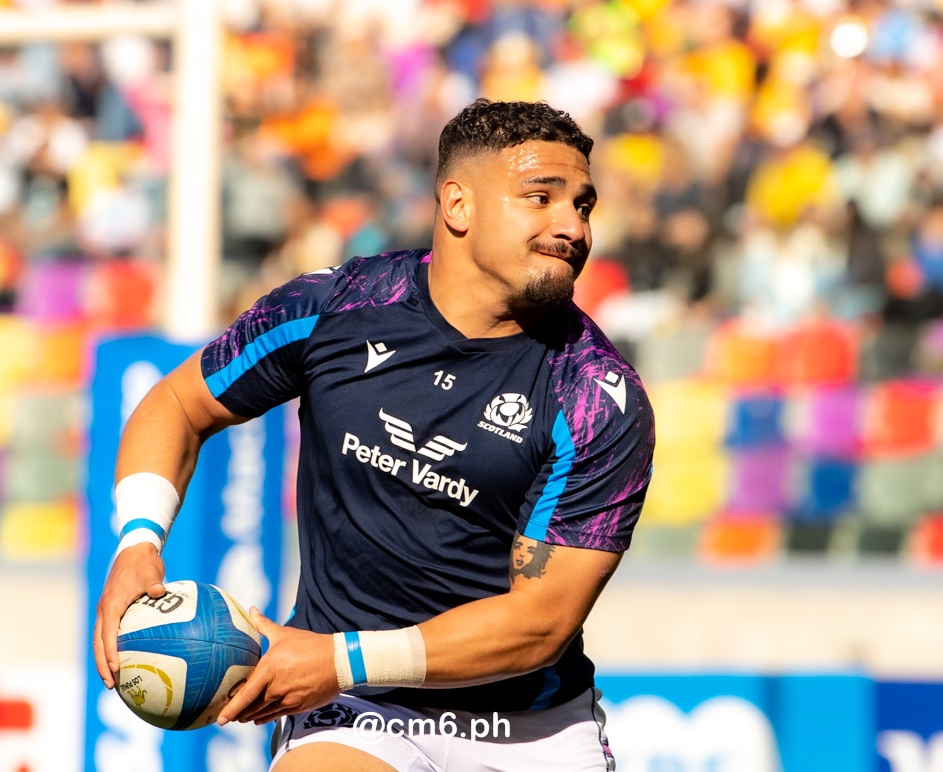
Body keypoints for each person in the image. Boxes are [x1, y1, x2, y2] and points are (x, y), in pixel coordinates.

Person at [93, 98, 655, 771]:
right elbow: (178, 404)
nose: (572, 225)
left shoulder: (597, 396)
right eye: (542, 197)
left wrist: (335, 659)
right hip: (356, 713)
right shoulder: (336, 307)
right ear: (458, 206)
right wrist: (137, 541)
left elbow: (539, 625)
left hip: (527, 730)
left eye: (584, 206)